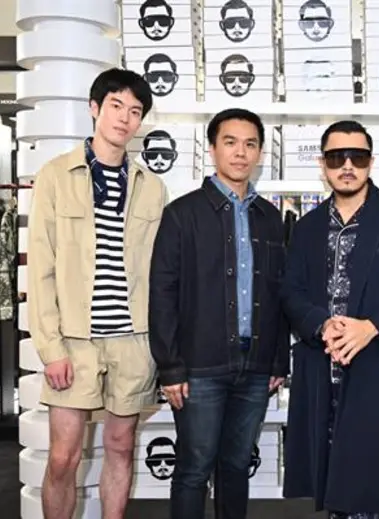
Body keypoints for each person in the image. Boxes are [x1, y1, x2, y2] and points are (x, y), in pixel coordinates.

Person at [281, 120, 379, 518]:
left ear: (371, 161)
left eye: (358, 156)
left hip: (378, 365)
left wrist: (371, 327)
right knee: (329, 482)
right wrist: (322, 324)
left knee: (370, 487)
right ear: (322, 164)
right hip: (321, 368)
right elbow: (290, 291)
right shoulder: (307, 227)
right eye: (337, 157)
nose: (348, 165)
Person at [28, 68, 165, 519]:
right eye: (116, 106)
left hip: (133, 342)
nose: (125, 118)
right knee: (63, 458)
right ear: (94, 108)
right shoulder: (55, 175)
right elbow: (40, 268)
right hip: (74, 343)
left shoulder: (151, 187)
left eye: (135, 111)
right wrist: (51, 349)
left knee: (121, 448)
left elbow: (159, 272)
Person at [148, 108, 290, 519]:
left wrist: (278, 358)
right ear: (212, 149)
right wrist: (170, 367)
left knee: (236, 466)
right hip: (199, 367)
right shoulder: (182, 214)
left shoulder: (270, 218)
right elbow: (162, 293)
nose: (240, 153)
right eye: (230, 142)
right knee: (194, 469)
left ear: (260, 153)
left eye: (250, 144)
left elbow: (280, 293)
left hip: (256, 367)